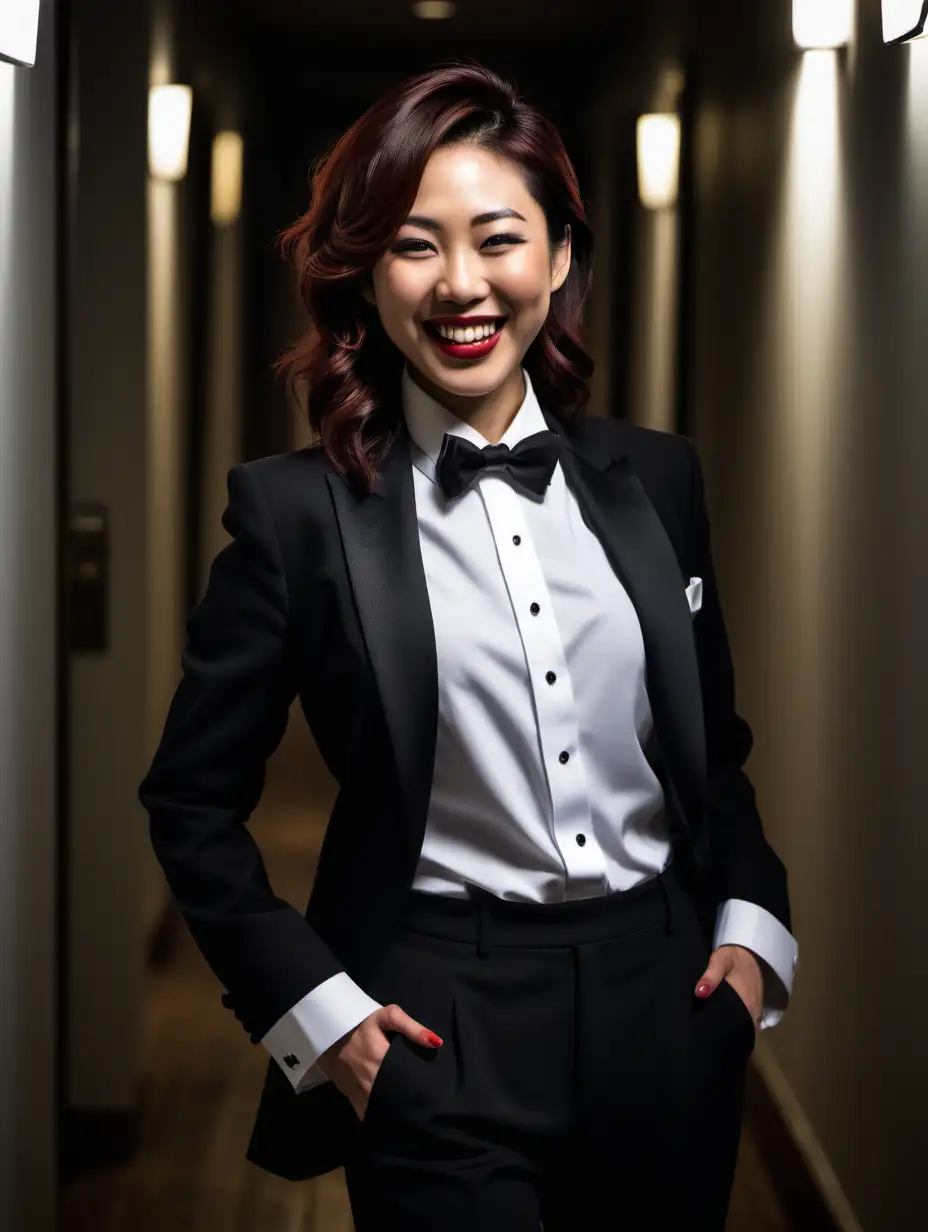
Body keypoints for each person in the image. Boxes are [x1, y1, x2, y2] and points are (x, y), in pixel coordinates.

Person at [138, 59, 799, 1231]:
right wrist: (320, 1012)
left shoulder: (657, 479)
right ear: (365, 276)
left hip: (667, 1001)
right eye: (412, 245)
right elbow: (190, 802)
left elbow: (714, 749)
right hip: (438, 1009)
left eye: (497, 238)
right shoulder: (295, 515)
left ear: (555, 256)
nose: (461, 284)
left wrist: (752, 927)